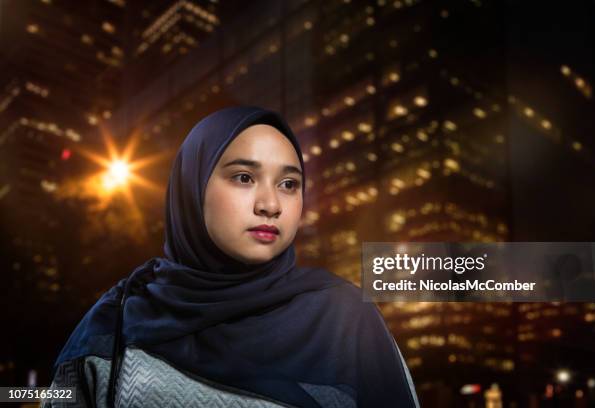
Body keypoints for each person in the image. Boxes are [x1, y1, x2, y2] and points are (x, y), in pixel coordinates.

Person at [42, 106, 420, 407]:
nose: (270, 204)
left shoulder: (344, 316)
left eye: (289, 184)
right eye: (244, 177)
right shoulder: (119, 319)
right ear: (193, 187)